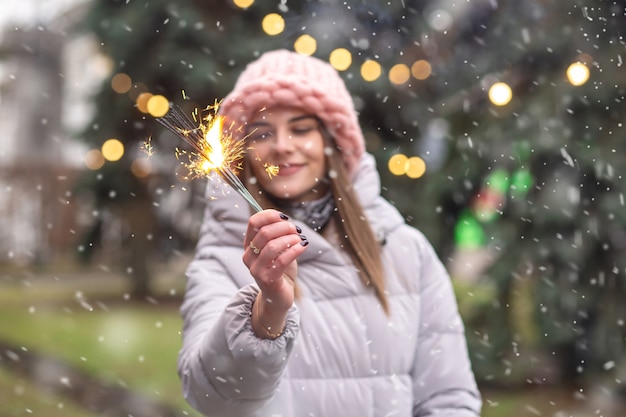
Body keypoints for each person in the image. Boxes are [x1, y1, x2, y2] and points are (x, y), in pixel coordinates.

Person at [177, 49, 482, 417]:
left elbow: (448, 398)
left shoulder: (406, 250)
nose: (282, 145)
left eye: (302, 129)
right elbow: (212, 396)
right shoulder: (222, 260)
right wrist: (267, 312)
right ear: (243, 154)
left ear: (332, 140)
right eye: (261, 133)